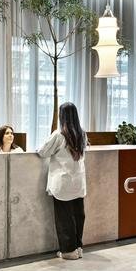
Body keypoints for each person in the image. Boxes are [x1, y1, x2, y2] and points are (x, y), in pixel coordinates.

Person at [37, 102, 87, 261]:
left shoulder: (59, 135)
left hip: (63, 182)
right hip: (78, 181)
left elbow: (43, 152)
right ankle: (78, 248)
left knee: (64, 217)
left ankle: (68, 251)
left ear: (61, 116)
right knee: (78, 215)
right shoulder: (82, 133)